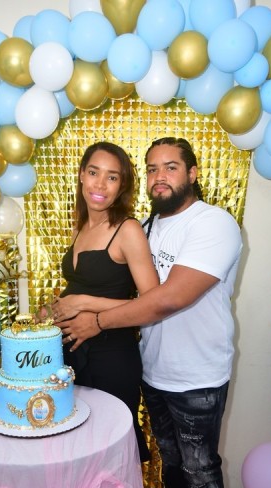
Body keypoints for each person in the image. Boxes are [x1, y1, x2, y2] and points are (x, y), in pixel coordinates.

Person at [57, 137, 243, 488]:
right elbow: (127, 293)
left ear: (193, 173)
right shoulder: (147, 225)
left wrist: (94, 317)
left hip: (198, 373)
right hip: (155, 368)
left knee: (201, 471)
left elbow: (166, 298)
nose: (161, 176)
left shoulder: (213, 224)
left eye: (171, 167)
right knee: (172, 462)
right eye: (153, 168)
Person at [52, 140, 159, 462]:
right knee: (77, 453)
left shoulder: (127, 229)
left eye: (112, 177)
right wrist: (57, 307)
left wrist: (83, 301)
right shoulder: (82, 225)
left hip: (111, 357)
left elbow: (152, 302)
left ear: (121, 185)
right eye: (94, 172)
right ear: (81, 175)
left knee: (110, 455)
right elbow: (84, 283)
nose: (100, 184)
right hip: (72, 355)